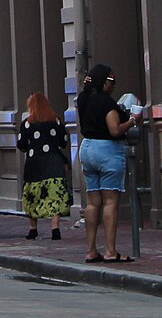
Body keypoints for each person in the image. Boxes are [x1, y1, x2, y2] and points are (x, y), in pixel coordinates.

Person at [76, 62, 140, 264]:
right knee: (111, 201)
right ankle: (111, 251)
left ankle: (91, 250)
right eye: (111, 81)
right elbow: (115, 129)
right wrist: (133, 120)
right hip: (107, 150)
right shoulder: (107, 103)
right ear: (102, 81)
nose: (113, 85)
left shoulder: (83, 99)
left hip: (87, 148)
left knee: (93, 202)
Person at [17, 92, 71, 240]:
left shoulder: (27, 124)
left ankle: (33, 229)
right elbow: (63, 141)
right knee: (55, 195)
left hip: (34, 163)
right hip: (54, 161)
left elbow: (21, 145)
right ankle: (55, 229)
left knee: (33, 195)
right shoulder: (56, 121)